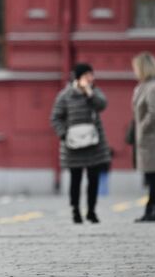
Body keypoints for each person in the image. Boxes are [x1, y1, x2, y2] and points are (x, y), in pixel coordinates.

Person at [50, 63, 111, 224]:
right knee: (75, 179)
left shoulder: (94, 93)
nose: (91, 78)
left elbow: (102, 105)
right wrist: (64, 134)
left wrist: (89, 93)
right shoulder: (65, 96)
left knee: (93, 179)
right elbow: (55, 117)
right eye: (87, 75)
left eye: (92, 75)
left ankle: (91, 211)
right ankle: (75, 210)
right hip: (73, 145)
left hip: (93, 145)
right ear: (78, 78)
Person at [131, 51, 155, 222]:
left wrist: (144, 128)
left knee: (153, 175)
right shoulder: (143, 86)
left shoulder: (154, 87)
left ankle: (151, 210)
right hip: (145, 137)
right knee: (151, 175)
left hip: (151, 137)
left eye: (137, 67)